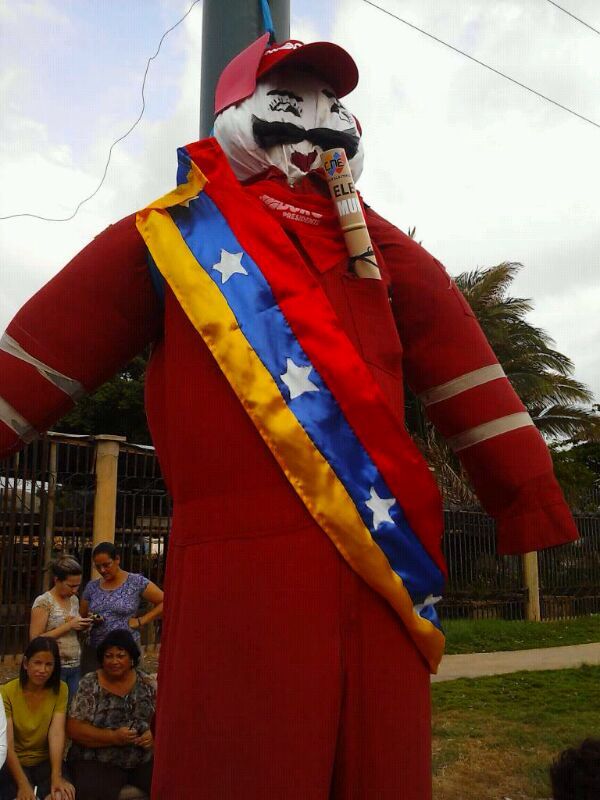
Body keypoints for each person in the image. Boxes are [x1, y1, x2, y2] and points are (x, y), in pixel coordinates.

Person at [0, 35, 580, 799]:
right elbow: (47, 347)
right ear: (236, 115)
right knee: (241, 762)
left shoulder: (384, 250)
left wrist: (526, 492)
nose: (313, 122)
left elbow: (465, 366)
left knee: (380, 766)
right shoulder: (170, 238)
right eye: (287, 103)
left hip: (383, 567)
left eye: (329, 105)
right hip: (237, 576)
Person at [66, 629, 154, 800]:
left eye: (120, 656)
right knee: (92, 791)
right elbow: (74, 729)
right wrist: (113, 737)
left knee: (170, 781)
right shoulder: (90, 683)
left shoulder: (146, 682)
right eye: (109, 656)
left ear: (131, 659)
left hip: (140, 757)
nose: (114, 661)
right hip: (97, 760)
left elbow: (163, 720)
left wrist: (153, 734)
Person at [0, 637, 75, 800]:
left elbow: (56, 734)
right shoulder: (6, 692)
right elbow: (8, 745)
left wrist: (56, 776)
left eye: (49, 664)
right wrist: (23, 785)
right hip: (13, 763)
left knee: (62, 795)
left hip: (46, 762)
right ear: (26, 664)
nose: (43, 670)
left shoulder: (61, 689)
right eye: (38, 663)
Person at [79, 542, 163, 675]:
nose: (102, 570)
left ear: (117, 559)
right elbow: (82, 616)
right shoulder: (92, 587)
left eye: (106, 565)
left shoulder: (135, 582)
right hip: (96, 651)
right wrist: (89, 621)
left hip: (126, 652)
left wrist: (141, 620)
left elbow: (165, 602)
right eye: (98, 566)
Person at [30, 556, 92, 701]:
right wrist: (68, 626)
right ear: (57, 580)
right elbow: (35, 639)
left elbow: (72, 629)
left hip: (75, 663)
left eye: (78, 586)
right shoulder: (44, 602)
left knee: (72, 708)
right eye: (71, 586)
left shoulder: (74, 600)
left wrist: (83, 625)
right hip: (54, 666)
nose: (75, 590)